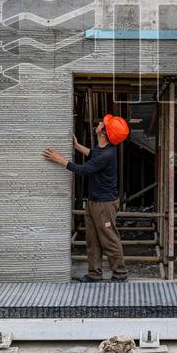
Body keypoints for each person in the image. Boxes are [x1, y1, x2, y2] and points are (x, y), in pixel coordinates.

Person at [42, 114, 129, 283]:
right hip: (93, 201)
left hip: (104, 204)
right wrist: (77, 146)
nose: (98, 123)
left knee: (109, 239)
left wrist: (59, 159)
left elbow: (84, 170)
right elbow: (92, 154)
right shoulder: (103, 147)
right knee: (92, 240)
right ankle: (94, 273)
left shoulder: (107, 154)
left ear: (103, 132)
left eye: (101, 123)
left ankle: (120, 273)